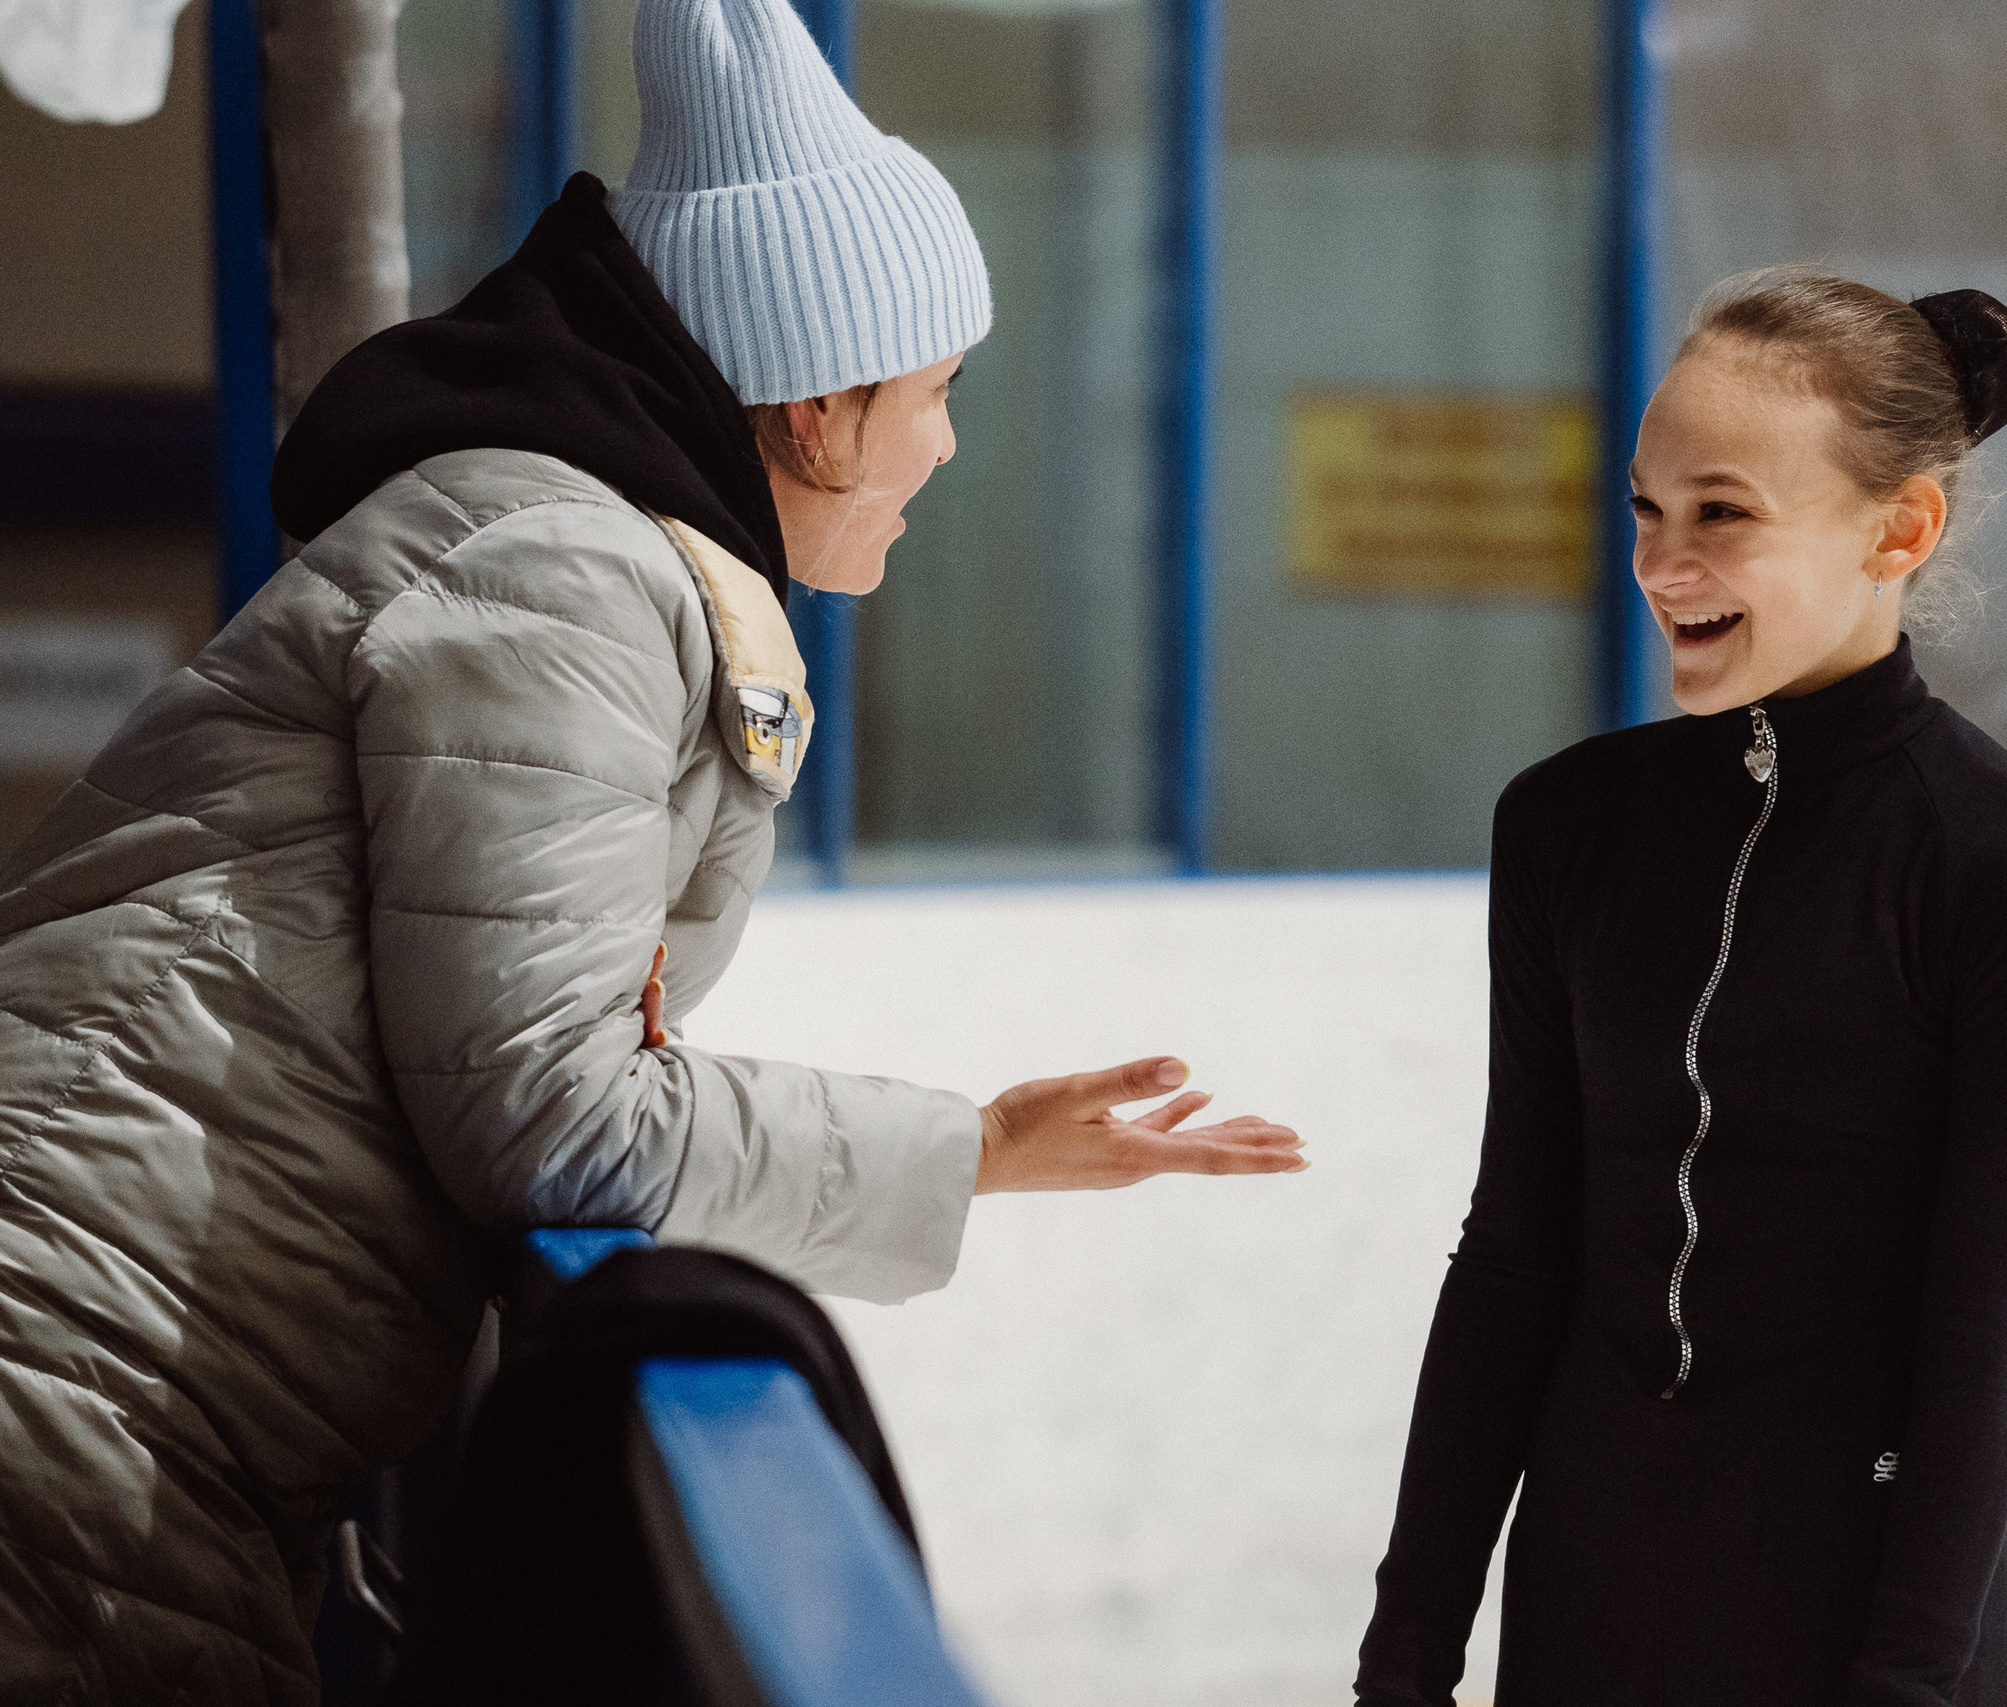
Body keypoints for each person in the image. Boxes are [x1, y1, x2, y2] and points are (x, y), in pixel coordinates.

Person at [0, 0, 1302, 1698]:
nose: (949, 447)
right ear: (822, 404)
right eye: (937, 390)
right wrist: (968, 1148)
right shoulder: (569, 576)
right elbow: (550, 1113)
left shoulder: (569, 547)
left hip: (125, 1387)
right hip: (77, 1403)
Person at [1353, 271, 2007, 1707]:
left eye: (1723, 513)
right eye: (1646, 508)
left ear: (1900, 528)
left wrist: (1898, 1685)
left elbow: (1982, 1330)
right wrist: (1407, 1654)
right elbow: (1517, 1257)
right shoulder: (1567, 827)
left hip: (1866, 1628)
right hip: (1590, 1614)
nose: (1660, 561)